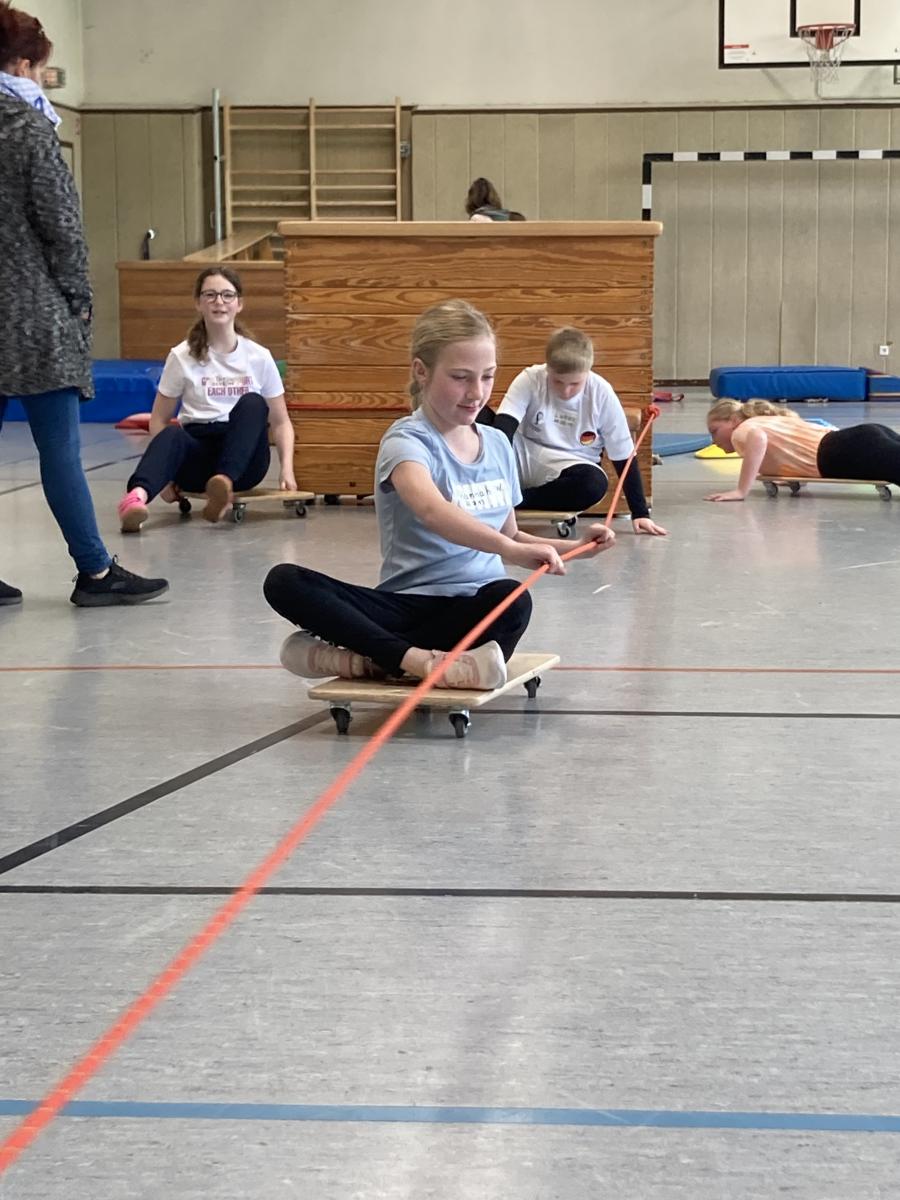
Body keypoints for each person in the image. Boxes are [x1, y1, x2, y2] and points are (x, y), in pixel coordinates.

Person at [263, 300, 615, 691]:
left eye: (487, 377)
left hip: (473, 610)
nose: (476, 393)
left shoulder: (498, 444)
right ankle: (415, 661)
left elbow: (512, 536)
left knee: (512, 598)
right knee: (285, 581)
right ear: (421, 371)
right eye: (461, 377)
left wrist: (575, 548)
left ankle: (371, 659)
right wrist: (509, 548)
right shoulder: (406, 441)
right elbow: (432, 510)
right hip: (407, 607)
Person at [0, 1, 167, 607]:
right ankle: (95, 572)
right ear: (23, 64)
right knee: (60, 452)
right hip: (33, 318)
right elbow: (63, 230)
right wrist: (80, 303)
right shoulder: (26, 129)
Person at [116, 266, 296, 531]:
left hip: (244, 460)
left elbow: (281, 422)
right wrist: (166, 479)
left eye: (227, 295)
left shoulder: (258, 356)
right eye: (210, 295)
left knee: (253, 402)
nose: (218, 302)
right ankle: (136, 499)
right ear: (198, 303)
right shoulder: (181, 356)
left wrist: (286, 469)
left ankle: (223, 485)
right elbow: (158, 419)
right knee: (172, 433)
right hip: (198, 454)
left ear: (239, 304)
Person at [484, 327, 667, 535]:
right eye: (557, 381)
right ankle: (485, 492)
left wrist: (640, 512)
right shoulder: (531, 378)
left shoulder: (601, 393)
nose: (566, 391)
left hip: (572, 463)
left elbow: (623, 456)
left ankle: (512, 500)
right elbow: (503, 429)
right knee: (479, 416)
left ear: (587, 372)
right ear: (548, 369)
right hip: (523, 453)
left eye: (575, 383)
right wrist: (494, 471)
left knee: (593, 484)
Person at [704, 399, 900, 501]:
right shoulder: (770, 420)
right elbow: (794, 452)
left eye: (715, 431)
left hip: (838, 452)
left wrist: (741, 490)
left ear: (734, 420)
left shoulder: (741, 431)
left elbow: (758, 439)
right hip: (857, 439)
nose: (714, 440)